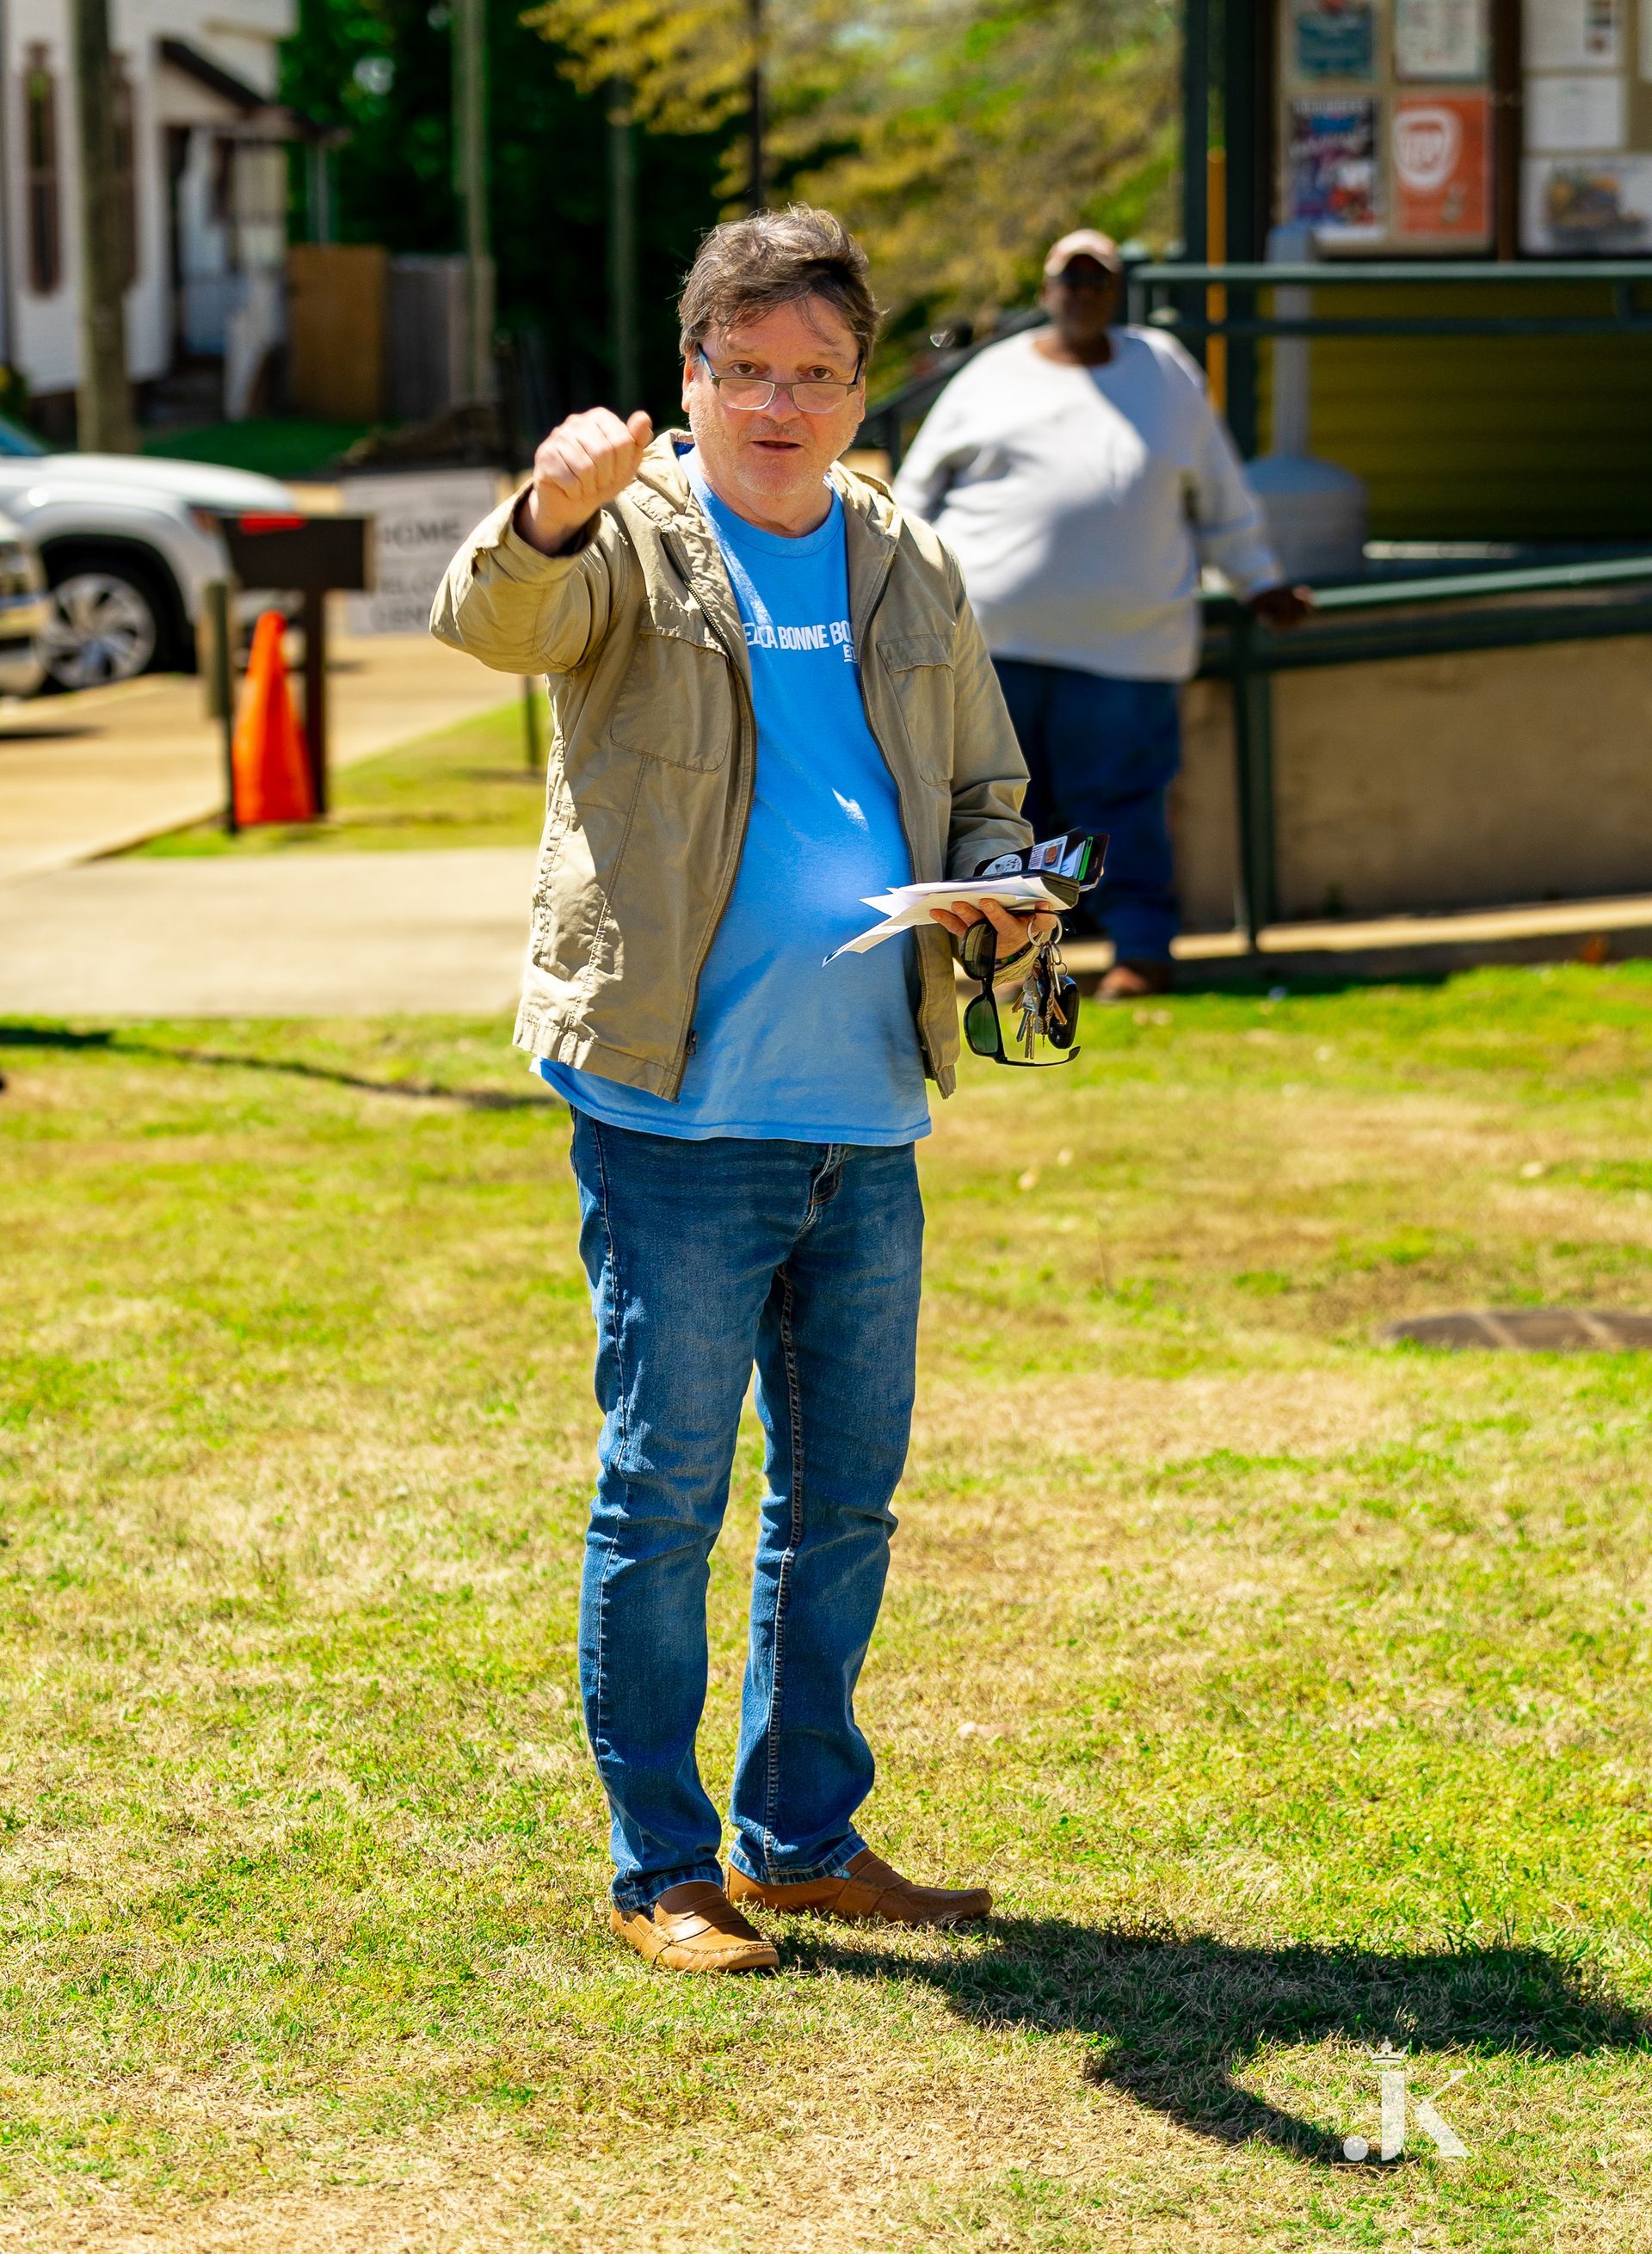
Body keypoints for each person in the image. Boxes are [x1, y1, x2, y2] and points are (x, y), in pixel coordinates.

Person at [432, 206, 1052, 1974]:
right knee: (665, 1499)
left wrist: (1002, 888)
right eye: (747, 370)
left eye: (817, 374)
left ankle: (802, 1836)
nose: (781, 405)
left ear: (863, 388)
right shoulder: (629, 536)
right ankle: (663, 1867)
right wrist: (548, 508)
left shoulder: (907, 558)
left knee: (843, 1501)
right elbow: (491, 620)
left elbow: (987, 784)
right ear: (690, 375)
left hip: (867, 1110)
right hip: (677, 1114)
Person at [893, 227, 1313, 1001]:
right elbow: (915, 496)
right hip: (996, 644)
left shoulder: (1165, 371)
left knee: (1121, 809)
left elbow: (1220, 493)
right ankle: (1008, 965)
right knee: (1002, 814)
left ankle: (1141, 949)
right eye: (1069, 278)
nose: (1082, 293)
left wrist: (1259, 581)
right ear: (1046, 289)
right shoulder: (992, 375)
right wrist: (891, 590)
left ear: (1115, 293)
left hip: (1128, 650)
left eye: (1097, 280)